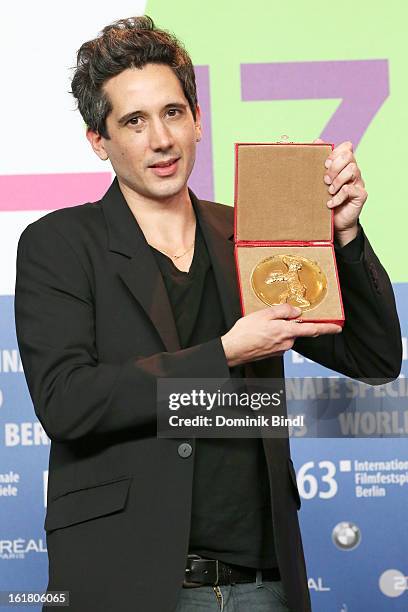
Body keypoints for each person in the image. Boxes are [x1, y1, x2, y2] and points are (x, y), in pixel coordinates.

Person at [14, 15, 401, 612]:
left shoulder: (248, 232)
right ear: (100, 140)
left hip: (261, 581)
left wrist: (345, 237)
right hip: (130, 581)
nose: (161, 140)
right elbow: (68, 402)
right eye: (134, 121)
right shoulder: (60, 244)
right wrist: (224, 354)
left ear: (198, 119)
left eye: (173, 113)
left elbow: (374, 358)